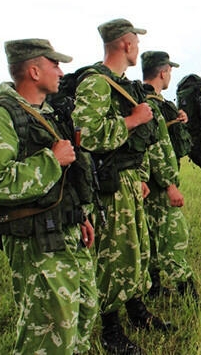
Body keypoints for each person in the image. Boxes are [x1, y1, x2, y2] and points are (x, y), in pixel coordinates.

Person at [0, 39, 98, 355]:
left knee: (82, 313)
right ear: (33, 70)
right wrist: (51, 161)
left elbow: (67, 179)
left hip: (64, 231)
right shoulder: (2, 115)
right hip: (36, 242)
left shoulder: (45, 112)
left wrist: (79, 216)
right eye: (53, 64)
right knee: (47, 334)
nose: (60, 71)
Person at [71, 18, 170, 355]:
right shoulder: (96, 84)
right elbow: (85, 136)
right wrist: (132, 120)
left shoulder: (119, 83)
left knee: (136, 249)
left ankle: (137, 311)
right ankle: (111, 330)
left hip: (128, 180)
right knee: (114, 254)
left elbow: (135, 142)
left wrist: (140, 175)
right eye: (136, 43)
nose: (138, 49)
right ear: (126, 44)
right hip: (108, 186)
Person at [141, 50, 198, 299]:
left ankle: (153, 288)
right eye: (169, 71)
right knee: (173, 236)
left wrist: (177, 120)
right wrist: (169, 185)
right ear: (163, 72)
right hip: (158, 184)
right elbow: (157, 146)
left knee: (150, 236)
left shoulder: (144, 100)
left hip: (145, 183)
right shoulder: (152, 104)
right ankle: (187, 294)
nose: (170, 76)